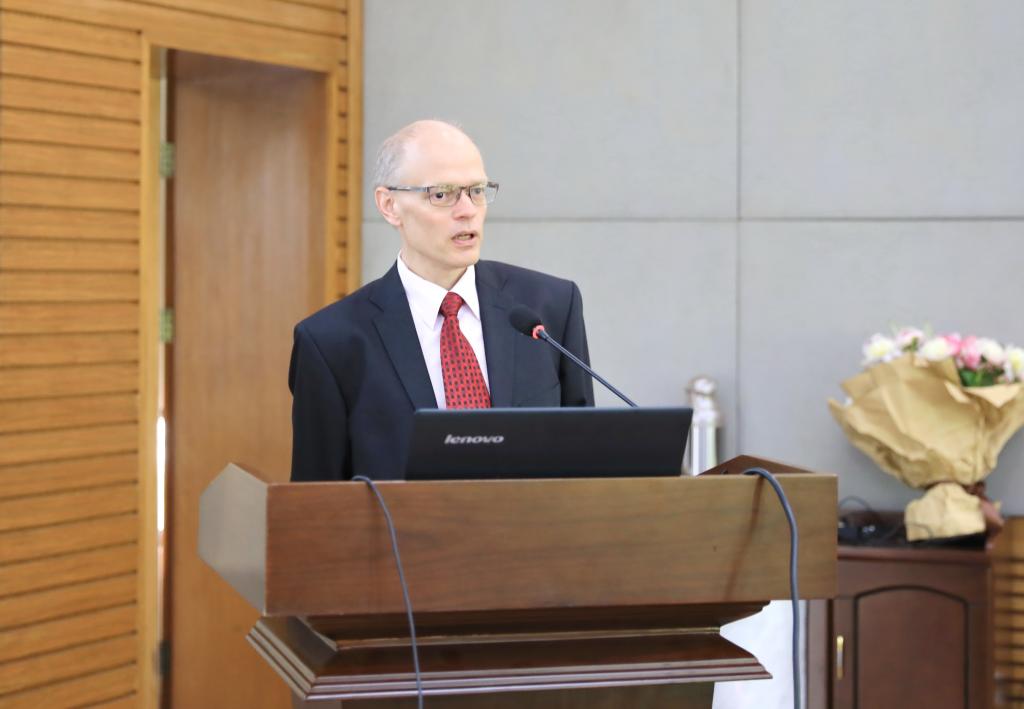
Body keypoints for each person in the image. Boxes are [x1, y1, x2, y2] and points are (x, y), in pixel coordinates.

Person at [289, 120, 594, 481]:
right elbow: (316, 499)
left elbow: (586, 463)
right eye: (442, 195)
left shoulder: (549, 308)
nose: (467, 210)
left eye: (476, 191)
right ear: (389, 205)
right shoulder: (331, 343)